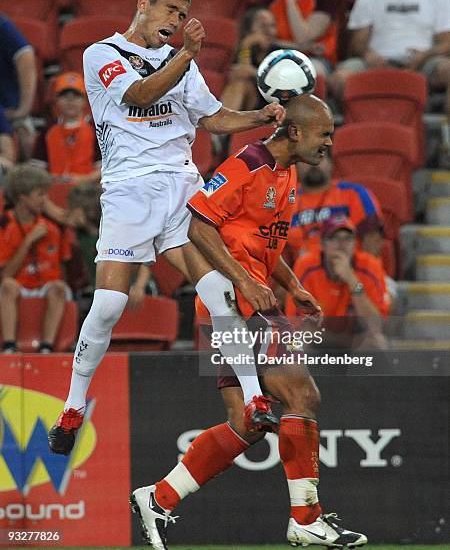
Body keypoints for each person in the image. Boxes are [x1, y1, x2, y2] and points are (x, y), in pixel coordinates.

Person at [47, 0, 287, 456]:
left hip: (180, 185)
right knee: (109, 306)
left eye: (182, 15)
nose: (176, 22)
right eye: (171, 11)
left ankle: (257, 398)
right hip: (128, 191)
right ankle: (72, 408)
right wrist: (187, 55)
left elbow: (213, 117)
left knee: (219, 290)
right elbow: (137, 95)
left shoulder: (182, 64)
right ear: (143, 5)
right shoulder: (102, 54)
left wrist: (260, 116)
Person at [130, 95, 367, 550]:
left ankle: (158, 498)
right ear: (295, 132)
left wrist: (293, 283)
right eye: (324, 135)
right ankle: (307, 518)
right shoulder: (248, 163)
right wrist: (245, 282)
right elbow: (198, 224)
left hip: (247, 298)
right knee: (302, 394)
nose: (329, 144)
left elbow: (264, 242)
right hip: (235, 302)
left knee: (247, 424)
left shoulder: (288, 172)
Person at [328, 0, 450, 129]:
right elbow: (357, 43)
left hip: (424, 62)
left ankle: (446, 139)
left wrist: (425, 56)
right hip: (376, 61)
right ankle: (360, 128)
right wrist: (369, 55)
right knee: (339, 79)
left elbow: (446, 43)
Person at [285, 215, 390, 350]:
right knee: (295, 341)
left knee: (378, 342)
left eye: (347, 239)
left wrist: (352, 281)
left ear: (355, 244)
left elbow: (376, 325)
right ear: (322, 244)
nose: (341, 245)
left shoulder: (370, 265)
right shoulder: (306, 266)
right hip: (320, 339)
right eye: (334, 238)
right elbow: (295, 322)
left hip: (355, 342)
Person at [0, 165, 72, 354]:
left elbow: (62, 271)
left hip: (44, 286)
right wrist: (28, 241)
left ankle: (46, 347)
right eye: (40, 194)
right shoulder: (5, 226)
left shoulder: (53, 228)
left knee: (58, 287)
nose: (45, 200)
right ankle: (9, 346)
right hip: (18, 285)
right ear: (23, 198)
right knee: (7, 285)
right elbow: (6, 274)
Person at [287, 148, 383, 259]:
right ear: (295, 166)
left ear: (331, 163)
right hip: (302, 272)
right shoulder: (285, 201)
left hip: (350, 270)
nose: (313, 163)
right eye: (306, 159)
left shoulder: (355, 194)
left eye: (319, 156)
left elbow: (373, 241)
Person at [220, 6, 296, 112]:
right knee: (240, 83)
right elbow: (242, 74)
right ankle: (223, 123)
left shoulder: (283, 53)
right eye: (263, 26)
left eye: (272, 26)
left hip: (277, 104)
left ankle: (223, 124)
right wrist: (246, 46)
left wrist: (253, 73)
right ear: (249, 29)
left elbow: (287, 85)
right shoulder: (245, 48)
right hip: (251, 103)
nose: (269, 31)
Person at [31, 72, 101, 184]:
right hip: (54, 190)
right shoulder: (47, 131)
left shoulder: (97, 130)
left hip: (89, 191)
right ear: (56, 100)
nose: (70, 100)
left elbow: (104, 168)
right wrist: (52, 180)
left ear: (85, 100)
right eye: (64, 96)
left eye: (76, 96)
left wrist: (83, 180)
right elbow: (37, 169)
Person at [0, 15, 37, 160]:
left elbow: (25, 55)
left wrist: (24, 108)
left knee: (24, 135)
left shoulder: (2, 26)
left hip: (9, 109)